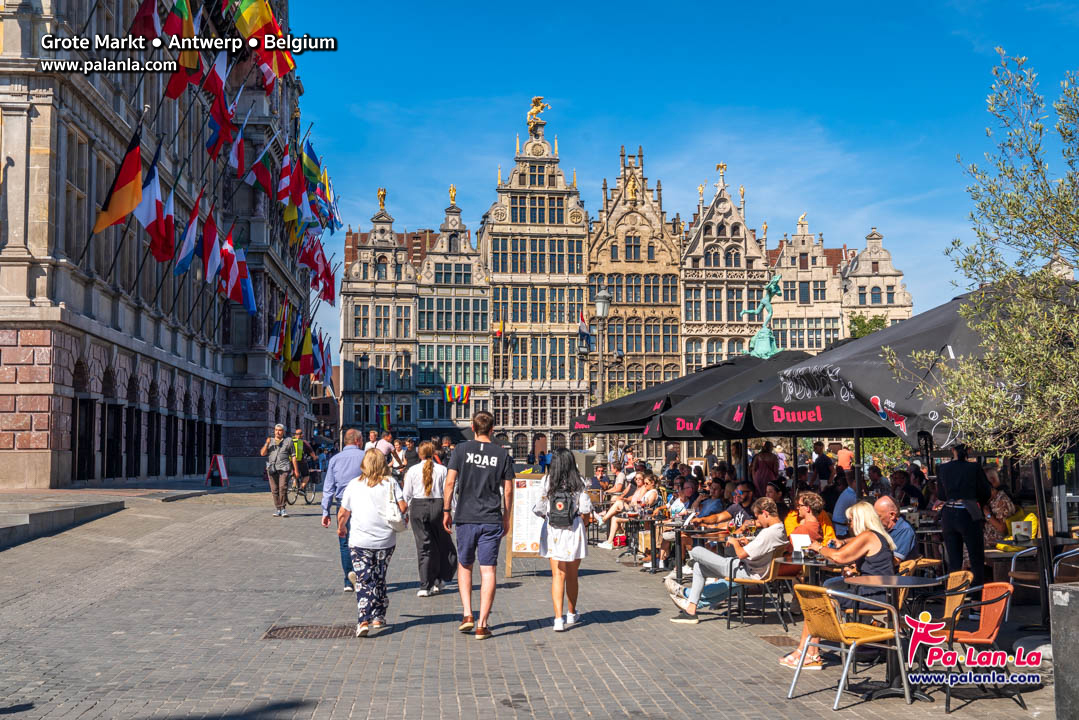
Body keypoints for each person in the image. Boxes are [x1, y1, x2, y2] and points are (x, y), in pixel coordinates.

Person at [780, 502, 896, 669]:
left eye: (850, 520)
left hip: (874, 595)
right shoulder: (877, 536)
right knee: (824, 590)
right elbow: (876, 566)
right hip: (876, 590)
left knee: (818, 600)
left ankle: (807, 653)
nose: (849, 524)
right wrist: (854, 569)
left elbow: (839, 557)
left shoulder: (869, 536)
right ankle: (809, 652)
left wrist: (819, 547)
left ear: (859, 519)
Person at [442, 412, 516, 640]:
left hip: (465, 516)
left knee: (465, 565)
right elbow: (509, 489)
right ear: (492, 430)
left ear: (473, 429)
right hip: (491, 517)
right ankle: (483, 623)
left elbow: (450, 481)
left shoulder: (460, 451)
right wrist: (507, 516)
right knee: (488, 570)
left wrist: (446, 510)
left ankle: (467, 614)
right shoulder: (502, 454)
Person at [669, 497, 788, 624]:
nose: (757, 521)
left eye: (758, 517)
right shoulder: (780, 530)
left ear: (765, 513)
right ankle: (691, 611)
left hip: (747, 570)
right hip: (753, 569)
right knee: (699, 567)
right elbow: (760, 549)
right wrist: (748, 543)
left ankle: (690, 573)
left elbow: (741, 554)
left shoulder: (769, 533)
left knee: (697, 550)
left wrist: (734, 542)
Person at [337, 449, 408, 637]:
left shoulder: (354, 484)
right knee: (379, 576)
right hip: (385, 539)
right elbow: (403, 506)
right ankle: (378, 615)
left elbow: (344, 512)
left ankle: (363, 619)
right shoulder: (390, 482)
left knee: (363, 580)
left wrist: (341, 527)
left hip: (360, 540)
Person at [533, 448, 593, 631]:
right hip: (573, 529)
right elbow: (585, 509)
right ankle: (571, 613)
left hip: (554, 531)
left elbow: (539, 508)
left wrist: (550, 517)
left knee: (558, 575)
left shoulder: (547, 481)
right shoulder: (579, 482)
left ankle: (558, 619)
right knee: (573, 575)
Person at [403, 442, 458, 597]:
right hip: (438, 506)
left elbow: (407, 493)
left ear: (419, 454)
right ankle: (440, 577)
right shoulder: (442, 470)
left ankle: (425, 585)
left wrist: (405, 512)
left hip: (418, 506)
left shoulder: (412, 470)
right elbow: (449, 490)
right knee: (443, 544)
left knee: (423, 547)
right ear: (433, 453)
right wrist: (452, 509)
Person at [935, 444, 991, 587]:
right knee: (976, 559)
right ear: (969, 451)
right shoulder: (974, 467)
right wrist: (976, 501)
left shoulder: (942, 468)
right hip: (968, 513)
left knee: (954, 562)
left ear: (952, 450)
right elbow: (985, 491)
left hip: (949, 513)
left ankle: (954, 599)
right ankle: (976, 601)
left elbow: (941, 494)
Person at [321, 429, 367, 591]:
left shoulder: (334, 459)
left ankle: (348, 579)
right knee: (363, 541)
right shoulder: (365, 457)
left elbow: (328, 488)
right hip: (363, 503)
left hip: (343, 505)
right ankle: (361, 577)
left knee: (344, 542)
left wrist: (325, 511)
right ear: (358, 441)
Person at [596, 473, 659, 549]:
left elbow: (646, 505)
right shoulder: (647, 490)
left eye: (646, 483)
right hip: (635, 511)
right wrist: (627, 500)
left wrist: (636, 504)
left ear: (652, 483)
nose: (645, 485)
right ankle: (609, 541)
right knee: (615, 517)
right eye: (636, 479)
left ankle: (603, 519)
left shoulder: (653, 493)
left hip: (639, 514)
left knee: (618, 503)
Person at [260, 424, 294, 517]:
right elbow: (262, 453)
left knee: (282, 487)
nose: (277, 432)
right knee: (274, 489)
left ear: (283, 432)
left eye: (280, 430)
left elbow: (293, 456)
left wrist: (296, 470)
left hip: (284, 468)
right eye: (276, 430)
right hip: (272, 468)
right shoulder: (270, 441)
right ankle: (278, 508)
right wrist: (267, 443)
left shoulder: (288, 441)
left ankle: (283, 508)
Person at [874, 496, 917, 561]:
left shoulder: (904, 530)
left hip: (896, 570)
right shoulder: (884, 528)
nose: (875, 519)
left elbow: (895, 560)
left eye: (878, 516)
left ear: (892, 515)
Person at [830, 469, 858, 538]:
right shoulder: (851, 495)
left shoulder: (848, 492)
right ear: (854, 482)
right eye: (860, 483)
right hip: (843, 530)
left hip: (839, 527)